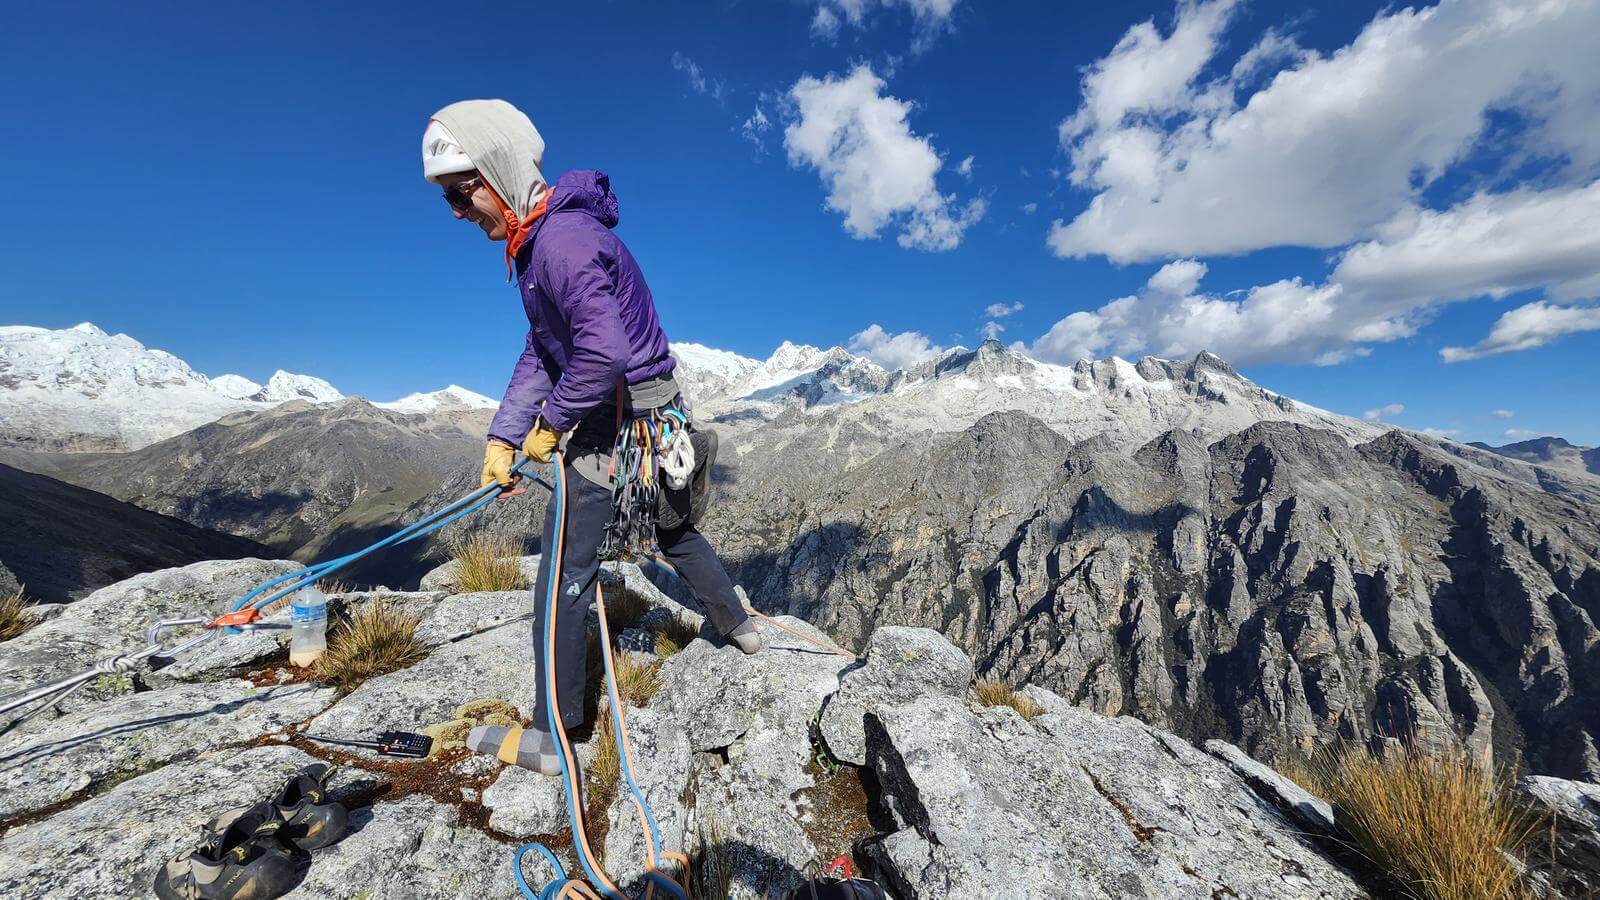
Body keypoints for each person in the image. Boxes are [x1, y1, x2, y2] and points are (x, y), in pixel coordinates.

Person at [421, 99, 761, 774]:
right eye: (450, 201)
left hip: (614, 426)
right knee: (673, 528)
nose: (459, 213)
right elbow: (545, 349)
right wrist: (505, 434)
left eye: (463, 194)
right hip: (661, 416)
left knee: (561, 577)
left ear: (499, 172)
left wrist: (547, 427)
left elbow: (597, 351)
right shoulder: (553, 239)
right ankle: (739, 626)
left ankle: (555, 737)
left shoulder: (560, 244)